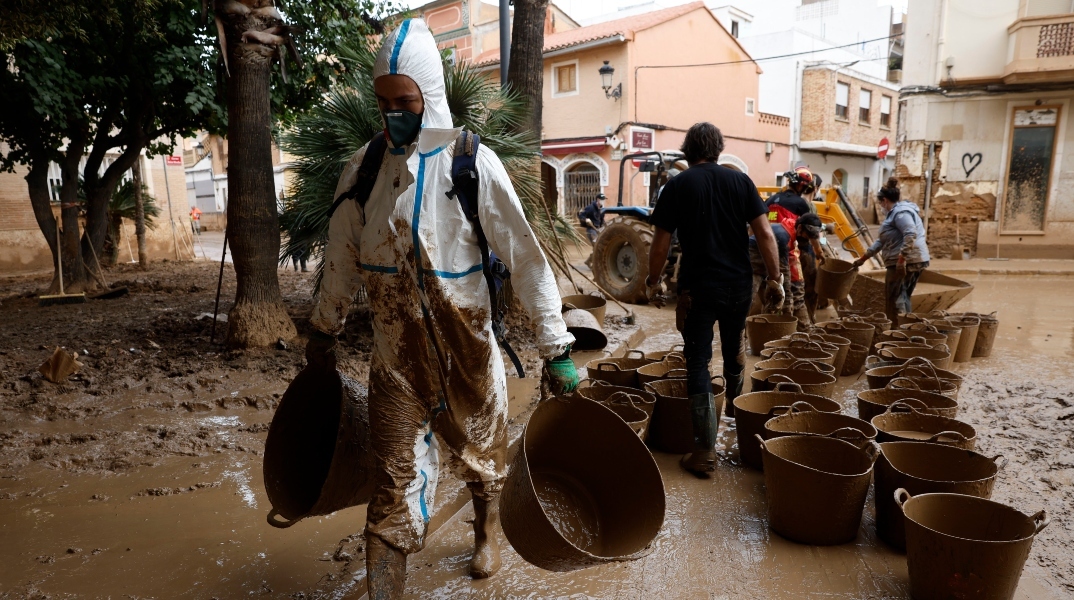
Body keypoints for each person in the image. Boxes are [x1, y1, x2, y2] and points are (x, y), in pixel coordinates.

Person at [303, 19, 578, 599]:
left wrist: (556, 348)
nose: (393, 114)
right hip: (396, 360)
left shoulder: (472, 166)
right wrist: (323, 332)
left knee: (484, 457)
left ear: (429, 96)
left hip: (469, 349)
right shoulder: (364, 171)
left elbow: (525, 260)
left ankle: (486, 529)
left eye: (404, 101)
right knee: (391, 489)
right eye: (383, 103)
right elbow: (341, 261)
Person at [645, 122, 783, 478]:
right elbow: (765, 234)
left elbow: (660, 245)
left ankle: (704, 452)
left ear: (687, 151)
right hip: (739, 287)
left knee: (698, 361)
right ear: (718, 149)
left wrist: (653, 279)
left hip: (697, 290)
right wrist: (774, 279)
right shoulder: (741, 181)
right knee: (734, 344)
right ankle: (738, 416)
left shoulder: (676, 185)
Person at [852, 178, 930, 325]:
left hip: (905, 261)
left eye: (881, 203)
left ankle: (899, 333)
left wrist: (901, 259)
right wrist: (862, 259)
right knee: (903, 296)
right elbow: (881, 242)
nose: (881, 206)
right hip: (915, 259)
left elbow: (910, 233)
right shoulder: (895, 214)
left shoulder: (901, 213)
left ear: (885, 201)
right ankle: (906, 329)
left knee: (895, 299)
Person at [766, 167, 815, 329]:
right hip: (788, 252)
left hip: (767, 252)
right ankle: (801, 327)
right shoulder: (801, 204)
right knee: (797, 289)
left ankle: (768, 327)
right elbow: (807, 230)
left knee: (771, 294)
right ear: (802, 186)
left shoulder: (771, 200)